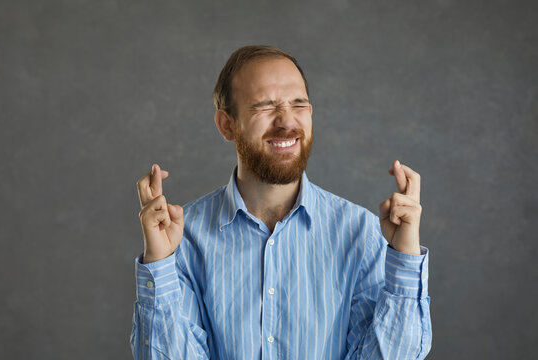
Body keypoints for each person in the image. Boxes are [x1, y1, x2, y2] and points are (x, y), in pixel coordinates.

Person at [130, 45, 432, 359]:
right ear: (226, 125)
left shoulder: (360, 233)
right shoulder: (182, 239)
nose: (286, 121)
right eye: (264, 106)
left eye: (298, 104)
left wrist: (405, 259)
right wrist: (160, 264)